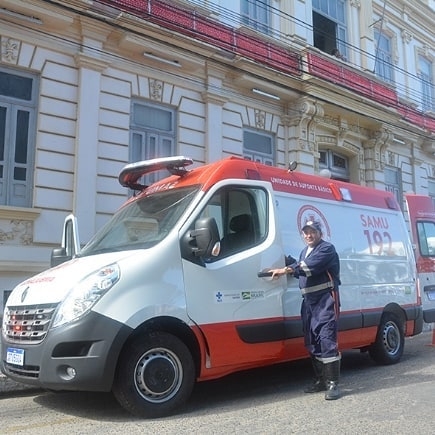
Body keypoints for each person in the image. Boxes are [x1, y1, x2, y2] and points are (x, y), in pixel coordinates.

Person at [269, 220, 341, 400]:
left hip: (325, 299)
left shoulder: (327, 249)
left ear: (320, 233)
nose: (309, 235)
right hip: (308, 301)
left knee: (326, 339)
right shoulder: (305, 252)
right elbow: (300, 266)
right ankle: (321, 380)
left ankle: (332, 384)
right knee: (312, 340)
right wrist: (287, 263)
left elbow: (309, 266)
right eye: (306, 232)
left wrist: (285, 269)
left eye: (313, 232)